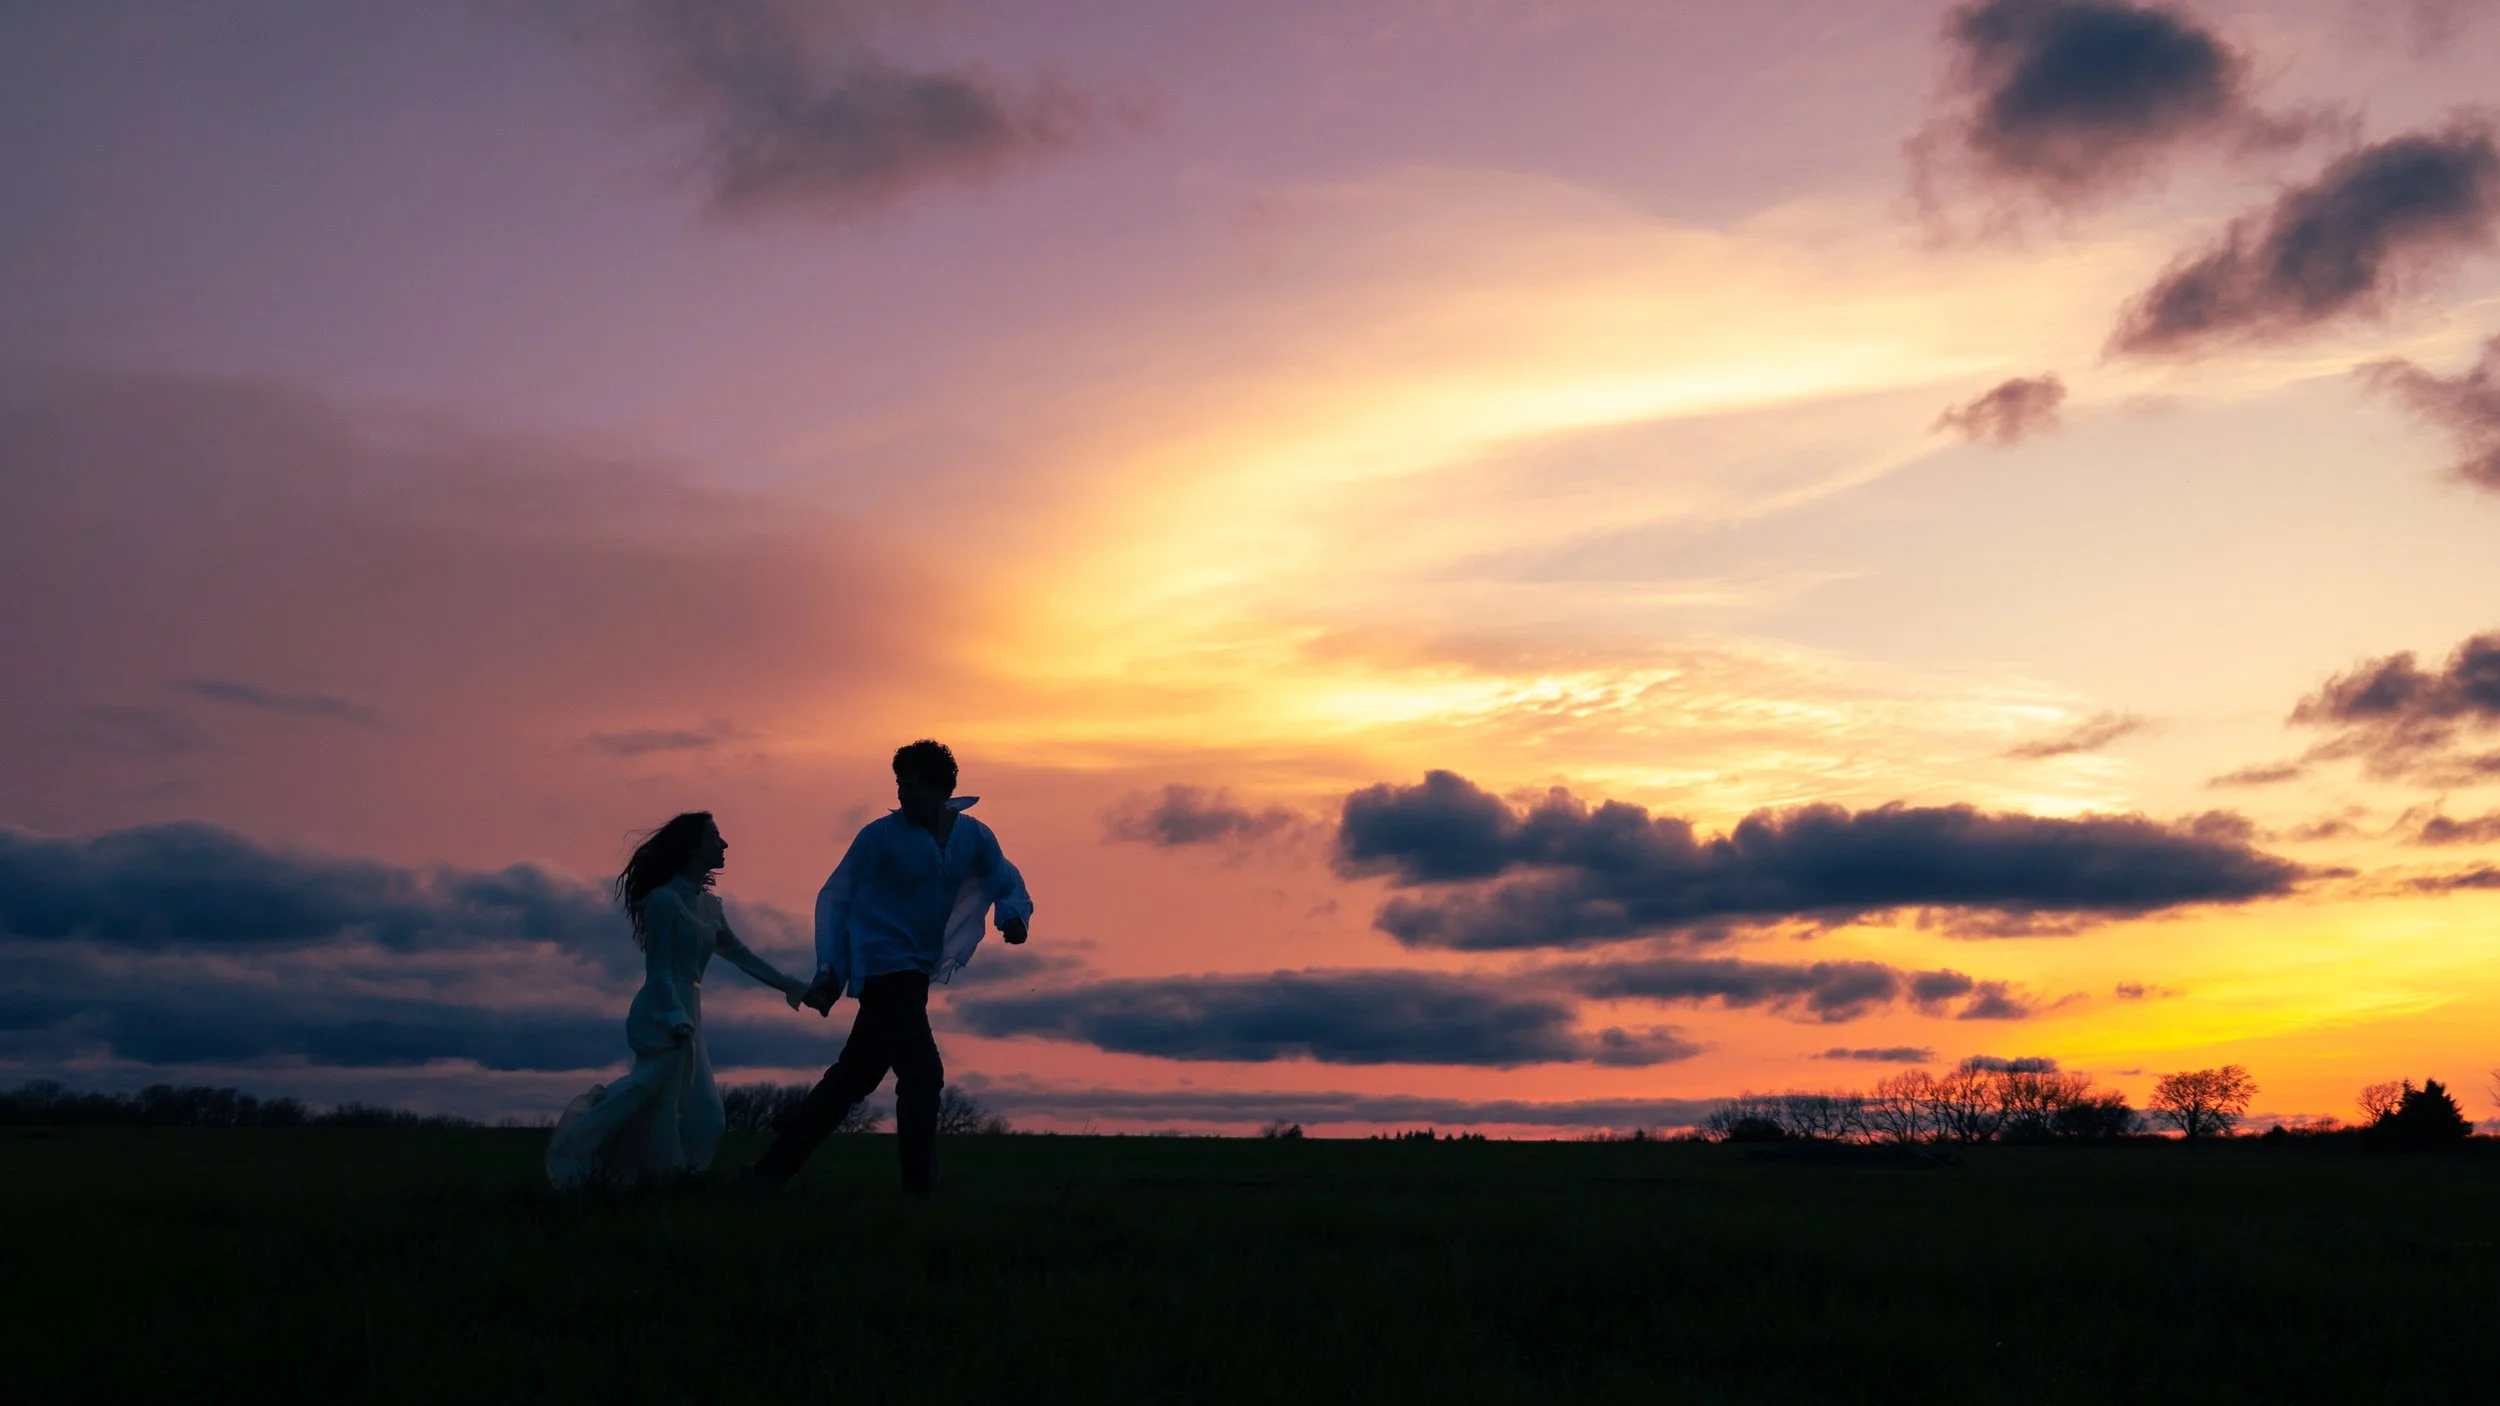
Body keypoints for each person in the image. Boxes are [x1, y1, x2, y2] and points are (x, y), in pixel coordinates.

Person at [748, 739, 1033, 1195]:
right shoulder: (878, 837)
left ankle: (769, 1171)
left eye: (912, 785)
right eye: (899, 784)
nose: (902, 794)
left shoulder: (974, 836)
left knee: (854, 1077)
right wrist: (831, 970)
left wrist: (1013, 916)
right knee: (923, 1074)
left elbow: (1004, 877)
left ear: (940, 789)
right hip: (882, 966)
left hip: (915, 970)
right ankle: (920, 1190)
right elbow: (838, 899)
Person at [545, 812, 810, 1190]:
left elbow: (740, 954)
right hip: (663, 1012)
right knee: (658, 1101)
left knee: (704, 1115)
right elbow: (658, 971)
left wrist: (792, 986)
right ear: (691, 847)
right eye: (714, 837)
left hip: (690, 1010)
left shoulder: (709, 906)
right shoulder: (663, 902)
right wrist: (673, 1015)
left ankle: (669, 1179)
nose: (724, 844)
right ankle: (649, 1178)